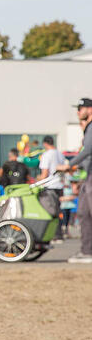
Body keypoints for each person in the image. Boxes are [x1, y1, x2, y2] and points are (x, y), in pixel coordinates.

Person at [57, 98, 92, 263]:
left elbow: (88, 150)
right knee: (84, 213)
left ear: (90, 109)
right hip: (87, 177)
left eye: (80, 108)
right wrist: (76, 169)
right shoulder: (88, 129)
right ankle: (87, 251)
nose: (78, 112)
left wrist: (69, 165)